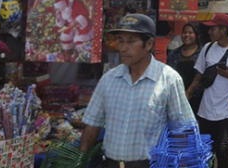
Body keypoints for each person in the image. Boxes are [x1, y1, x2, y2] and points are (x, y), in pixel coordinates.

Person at [79, 14, 195, 168]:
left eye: (131, 41)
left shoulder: (168, 80)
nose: (123, 48)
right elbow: (92, 125)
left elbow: (183, 129)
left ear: (149, 44)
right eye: (120, 41)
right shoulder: (108, 80)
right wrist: (81, 160)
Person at [186, 13, 228, 168]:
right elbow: (199, 76)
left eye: (213, 28)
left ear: (224, 30)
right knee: (206, 152)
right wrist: (187, 94)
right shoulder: (207, 48)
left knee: (223, 151)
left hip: (227, 113)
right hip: (205, 111)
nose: (209, 32)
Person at [167, 23, 202, 114]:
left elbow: (200, 76)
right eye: (185, 32)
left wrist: (188, 93)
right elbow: (168, 75)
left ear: (196, 35)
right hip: (176, 99)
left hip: (197, 101)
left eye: (190, 33)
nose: (187, 35)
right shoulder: (174, 53)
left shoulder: (202, 53)